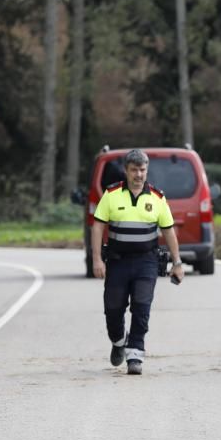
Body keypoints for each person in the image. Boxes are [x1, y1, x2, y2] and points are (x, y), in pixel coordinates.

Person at [91, 149, 184, 375]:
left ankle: (135, 354)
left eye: (142, 170)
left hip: (146, 262)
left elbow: (168, 231)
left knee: (142, 308)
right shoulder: (111, 195)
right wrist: (96, 260)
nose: (139, 174)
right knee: (113, 310)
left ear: (147, 170)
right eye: (134, 170)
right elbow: (98, 226)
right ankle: (118, 341)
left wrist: (177, 263)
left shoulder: (157, 198)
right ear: (126, 170)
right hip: (117, 262)